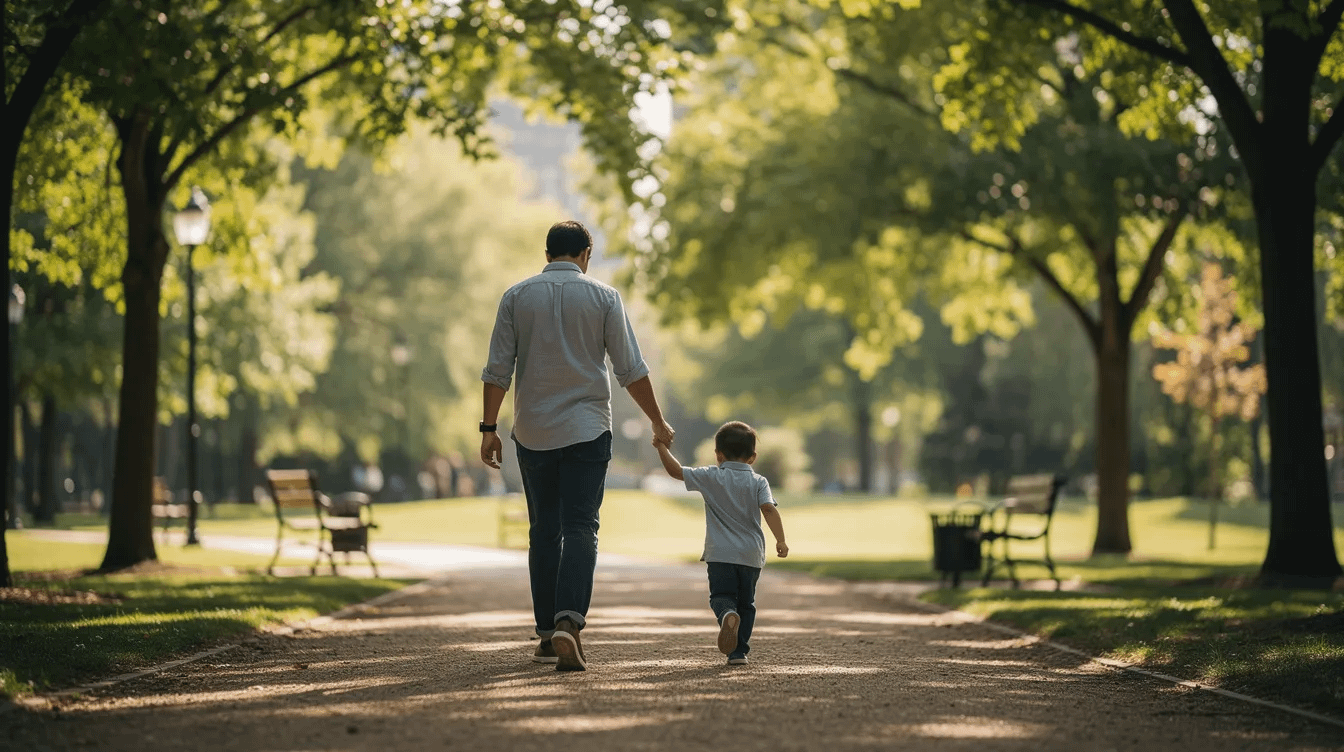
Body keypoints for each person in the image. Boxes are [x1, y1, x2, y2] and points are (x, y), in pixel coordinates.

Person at [480, 220, 675, 672]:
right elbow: (631, 368)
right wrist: (657, 421)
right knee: (582, 526)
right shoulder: (605, 298)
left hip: (533, 432)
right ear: (586, 254)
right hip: (588, 430)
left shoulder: (515, 297)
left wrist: (488, 428)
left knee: (543, 529)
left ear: (548, 253)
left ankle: (547, 634)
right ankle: (571, 620)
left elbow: (497, 370)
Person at [652, 421, 788, 665]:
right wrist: (781, 540)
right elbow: (768, 509)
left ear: (718, 455)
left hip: (720, 554)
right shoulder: (759, 482)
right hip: (751, 555)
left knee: (721, 596)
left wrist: (661, 446)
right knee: (747, 604)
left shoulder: (710, 476)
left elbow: (676, 471)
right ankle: (739, 653)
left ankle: (727, 614)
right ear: (753, 457)